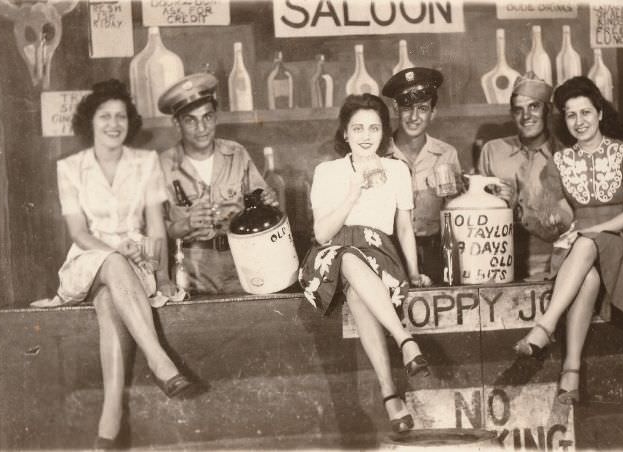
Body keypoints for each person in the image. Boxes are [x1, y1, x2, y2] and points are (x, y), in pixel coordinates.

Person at [33, 80, 200, 448]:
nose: (113, 124)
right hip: (87, 261)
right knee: (108, 262)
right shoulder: (70, 168)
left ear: (129, 122)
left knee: (109, 300)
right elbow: (78, 232)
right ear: (89, 123)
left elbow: (155, 226)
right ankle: (160, 362)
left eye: (120, 116)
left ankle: (110, 417)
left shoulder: (145, 163)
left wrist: (162, 275)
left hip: (138, 261)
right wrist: (117, 251)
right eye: (104, 116)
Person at [513, 76, 623, 405]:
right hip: (575, 247)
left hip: (621, 240)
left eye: (586, 112)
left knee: (588, 242)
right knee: (587, 277)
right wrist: (548, 214)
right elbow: (562, 217)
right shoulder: (559, 163)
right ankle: (571, 374)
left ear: (600, 113)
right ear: (564, 119)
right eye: (571, 115)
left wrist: (591, 231)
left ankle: (544, 328)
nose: (579, 121)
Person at [299, 94, 432, 434]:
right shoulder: (327, 171)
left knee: (358, 292)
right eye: (357, 127)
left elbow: (404, 228)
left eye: (374, 127)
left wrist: (414, 272)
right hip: (331, 257)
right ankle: (405, 341)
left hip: (378, 254)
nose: (366, 135)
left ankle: (390, 394)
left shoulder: (398, 170)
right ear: (345, 132)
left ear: (384, 132)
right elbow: (323, 233)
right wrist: (354, 191)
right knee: (345, 255)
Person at [157, 73, 276, 295]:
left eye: (207, 117)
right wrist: (185, 224)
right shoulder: (163, 165)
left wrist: (268, 200)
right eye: (190, 120)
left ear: (216, 117)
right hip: (192, 268)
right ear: (177, 123)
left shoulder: (236, 153)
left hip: (242, 261)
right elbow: (155, 230)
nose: (201, 128)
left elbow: (261, 202)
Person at [478, 72, 573, 280]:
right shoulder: (492, 151)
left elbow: (570, 224)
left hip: (554, 265)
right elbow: (478, 213)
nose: (526, 116)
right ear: (512, 114)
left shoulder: (566, 157)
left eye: (533, 107)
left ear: (547, 110)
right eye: (518, 110)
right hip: (498, 264)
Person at [382, 67, 462, 284]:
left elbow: (455, 211)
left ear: (433, 113)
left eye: (423, 108)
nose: (414, 117)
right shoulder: (379, 154)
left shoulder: (447, 154)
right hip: (389, 253)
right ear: (396, 108)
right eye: (407, 108)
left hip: (435, 254)